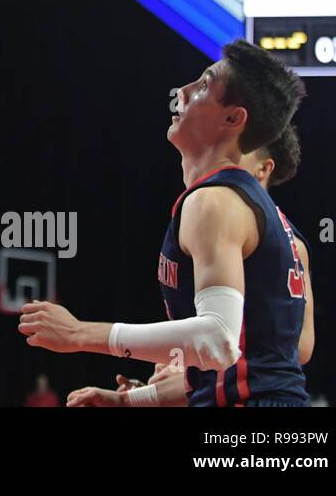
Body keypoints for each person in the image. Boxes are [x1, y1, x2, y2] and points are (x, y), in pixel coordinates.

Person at [20, 40, 309, 406]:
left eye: (204, 85)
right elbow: (258, 361)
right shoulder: (245, 207)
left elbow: (218, 340)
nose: (183, 92)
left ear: (233, 119)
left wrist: (80, 333)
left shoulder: (215, 200)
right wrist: (130, 400)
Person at [67, 125, 314, 406]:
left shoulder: (221, 205)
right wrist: (141, 396)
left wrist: (80, 333)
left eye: (238, 149)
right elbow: (295, 351)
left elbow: (222, 344)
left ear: (263, 168)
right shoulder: (294, 242)